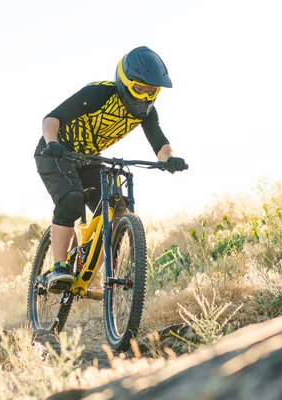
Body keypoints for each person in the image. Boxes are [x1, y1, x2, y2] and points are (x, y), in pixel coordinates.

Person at [34, 46, 188, 293]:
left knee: (117, 209)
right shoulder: (99, 93)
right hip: (55, 153)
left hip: (88, 158)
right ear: (125, 83)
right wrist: (53, 143)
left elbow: (160, 143)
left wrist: (171, 159)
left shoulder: (147, 113)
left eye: (152, 91)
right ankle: (59, 267)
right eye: (140, 89)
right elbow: (51, 119)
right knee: (72, 199)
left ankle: (96, 272)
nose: (145, 97)